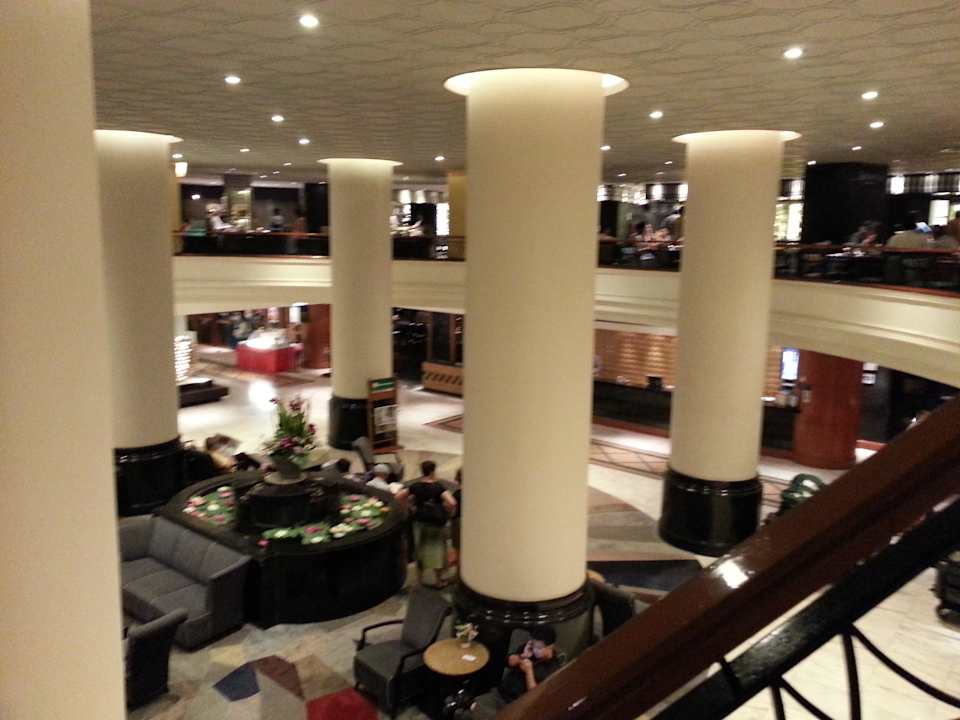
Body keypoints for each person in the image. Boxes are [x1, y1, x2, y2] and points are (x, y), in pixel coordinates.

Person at [460, 626, 562, 717]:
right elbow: (508, 661)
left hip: (517, 704)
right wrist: (522, 656)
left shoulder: (553, 668)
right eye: (533, 645)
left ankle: (474, 708)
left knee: (473, 711)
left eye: (538, 647)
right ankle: (475, 709)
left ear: (550, 647)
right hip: (500, 694)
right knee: (466, 711)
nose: (534, 650)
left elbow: (536, 696)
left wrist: (529, 672)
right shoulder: (528, 649)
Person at [406, 460, 457, 588]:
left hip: (419, 520)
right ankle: (438, 581)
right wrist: (449, 513)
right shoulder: (438, 487)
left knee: (420, 550)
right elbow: (452, 502)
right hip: (435, 523)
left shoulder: (415, 486)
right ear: (433, 471)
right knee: (437, 551)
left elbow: (399, 496)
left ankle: (419, 580)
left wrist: (410, 507)